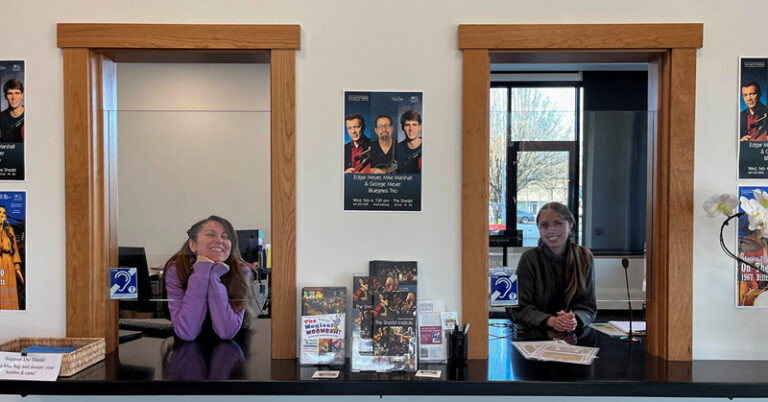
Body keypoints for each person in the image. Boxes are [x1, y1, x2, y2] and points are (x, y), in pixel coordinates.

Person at [163, 215, 251, 342]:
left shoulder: (242, 271)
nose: (219, 240)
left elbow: (227, 331)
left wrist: (214, 277)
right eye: (211, 234)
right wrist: (202, 273)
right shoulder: (176, 269)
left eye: (225, 236)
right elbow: (187, 332)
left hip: (230, 348)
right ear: (193, 244)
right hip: (188, 350)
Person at [513, 202, 596, 332]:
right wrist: (552, 321)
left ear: (570, 226)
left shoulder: (585, 257)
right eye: (544, 225)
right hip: (535, 332)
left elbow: (588, 307)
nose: (551, 229)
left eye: (558, 223)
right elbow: (519, 308)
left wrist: (574, 319)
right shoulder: (529, 259)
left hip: (571, 331)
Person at [0, 205, 22, 310]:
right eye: (0, 212)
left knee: (9, 294)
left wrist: (17, 268)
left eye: (4, 213)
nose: (2, 215)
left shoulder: (10, 231)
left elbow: (15, 250)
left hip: (9, 264)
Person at [0, 79, 24, 143]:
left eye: (17, 93)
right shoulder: (1, 118)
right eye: (10, 93)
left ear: (22, 95)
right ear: (5, 96)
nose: (13, 97)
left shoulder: (32, 114)